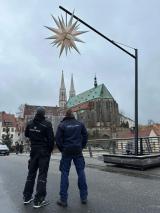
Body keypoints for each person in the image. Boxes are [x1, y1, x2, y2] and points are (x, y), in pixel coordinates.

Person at [23, 107, 54, 208]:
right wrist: (49, 151)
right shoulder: (47, 124)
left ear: (36, 113)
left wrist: (34, 137)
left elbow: (26, 134)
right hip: (43, 151)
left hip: (34, 150)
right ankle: (38, 200)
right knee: (42, 174)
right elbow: (51, 141)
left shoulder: (30, 123)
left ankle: (27, 197)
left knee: (31, 173)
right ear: (44, 114)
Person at [56, 109, 88, 207]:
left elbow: (57, 139)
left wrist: (63, 149)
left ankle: (63, 200)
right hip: (78, 151)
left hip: (66, 151)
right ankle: (84, 197)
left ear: (66, 115)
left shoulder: (62, 125)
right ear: (73, 115)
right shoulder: (79, 124)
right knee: (81, 172)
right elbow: (85, 136)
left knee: (64, 173)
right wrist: (81, 146)